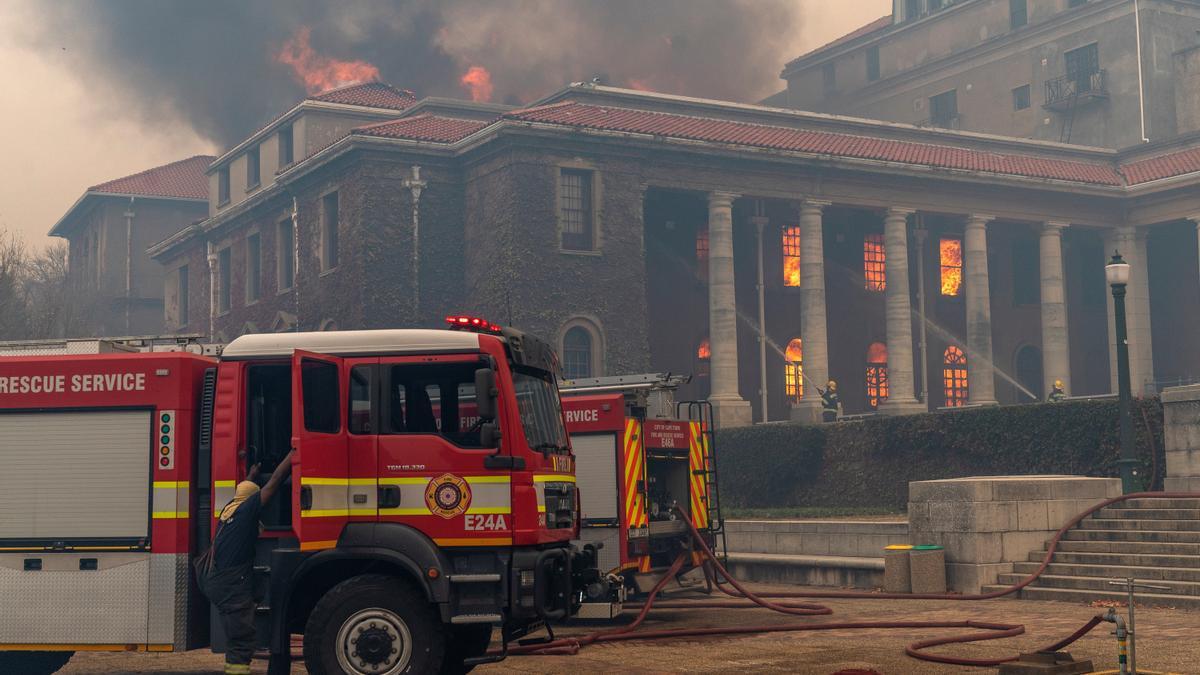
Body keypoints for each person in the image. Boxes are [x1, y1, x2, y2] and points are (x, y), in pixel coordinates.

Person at [199, 450, 294, 675]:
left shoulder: (231, 508)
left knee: (255, 595)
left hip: (218, 580)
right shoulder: (248, 510)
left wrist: (252, 475)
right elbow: (275, 481)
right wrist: (292, 454)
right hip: (230, 584)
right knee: (241, 640)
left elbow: (246, 489)